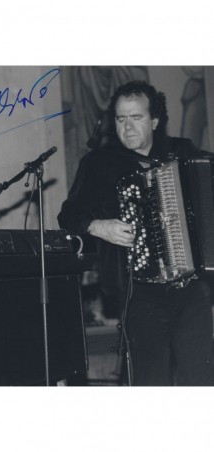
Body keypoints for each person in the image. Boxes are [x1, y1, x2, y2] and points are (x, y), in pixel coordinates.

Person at [58, 81, 213, 386]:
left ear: (154, 121)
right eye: (120, 119)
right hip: (138, 293)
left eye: (136, 118)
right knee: (150, 382)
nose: (127, 127)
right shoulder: (98, 163)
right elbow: (68, 216)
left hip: (191, 289)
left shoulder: (182, 152)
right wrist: (99, 226)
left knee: (201, 379)